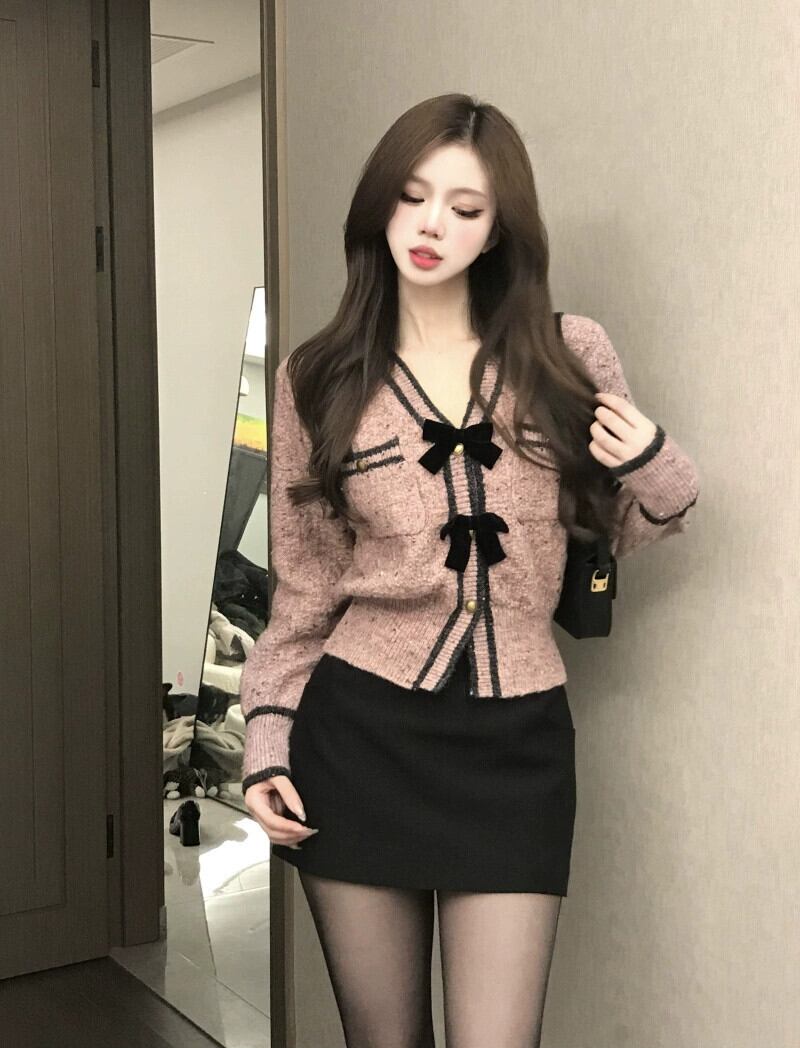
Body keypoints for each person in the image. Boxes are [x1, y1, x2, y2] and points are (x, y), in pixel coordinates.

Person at [240, 93, 700, 1048]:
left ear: (498, 230)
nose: (431, 225)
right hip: (359, 738)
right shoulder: (315, 378)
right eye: (412, 197)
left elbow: (618, 527)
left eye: (465, 207)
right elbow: (307, 586)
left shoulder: (567, 354)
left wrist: (659, 464)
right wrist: (267, 743)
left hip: (518, 747)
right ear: (380, 204)